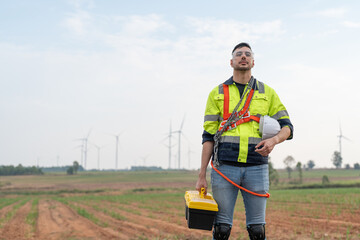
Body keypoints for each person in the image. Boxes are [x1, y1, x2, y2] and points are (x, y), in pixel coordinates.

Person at [196, 42, 293, 240]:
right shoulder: (217, 93)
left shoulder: (268, 92)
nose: (243, 56)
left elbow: (288, 128)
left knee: (257, 231)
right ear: (231, 61)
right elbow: (208, 137)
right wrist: (201, 174)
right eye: (239, 54)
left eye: (247, 54)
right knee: (221, 229)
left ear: (253, 62)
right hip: (224, 168)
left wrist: (274, 140)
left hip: (256, 167)